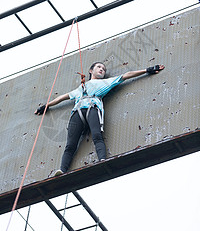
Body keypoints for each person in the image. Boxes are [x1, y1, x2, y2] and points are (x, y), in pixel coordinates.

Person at [35, 62, 165, 176]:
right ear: (91, 71)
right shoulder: (81, 87)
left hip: (93, 108)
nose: (102, 69)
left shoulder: (105, 82)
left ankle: (102, 160)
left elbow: (126, 75)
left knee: (97, 135)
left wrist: (147, 70)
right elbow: (62, 97)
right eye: (98, 67)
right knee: (70, 145)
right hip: (77, 112)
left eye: (103, 68)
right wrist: (46, 106)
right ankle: (62, 170)